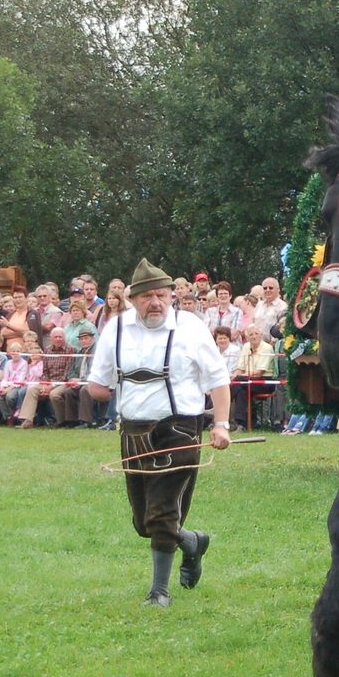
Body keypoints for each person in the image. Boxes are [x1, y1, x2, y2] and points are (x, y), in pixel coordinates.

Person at [87, 259, 231, 608]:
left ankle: (158, 592)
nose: (156, 302)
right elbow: (97, 383)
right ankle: (191, 542)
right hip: (133, 432)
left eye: (162, 295)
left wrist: (222, 424)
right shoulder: (116, 328)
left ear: (172, 296)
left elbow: (217, 379)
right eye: (147, 296)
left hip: (179, 428)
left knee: (162, 512)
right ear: (132, 299)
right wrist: (100, 388)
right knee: (143, 522)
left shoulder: (191, 328)